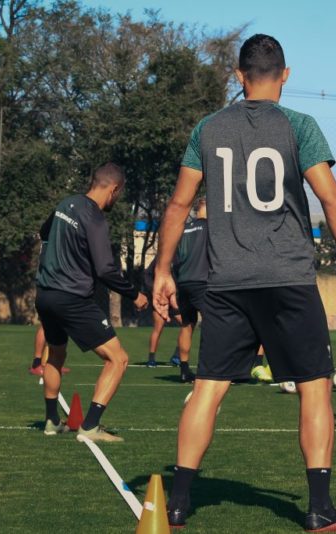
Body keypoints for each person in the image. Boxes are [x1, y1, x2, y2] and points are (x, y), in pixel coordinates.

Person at [153, 34, 336, 532]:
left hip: (227, 280)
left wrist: (162, 269)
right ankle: (319, 508)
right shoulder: (299, 125)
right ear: (285, 75)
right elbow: (332, 200)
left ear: (238, 75)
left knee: (207, 389)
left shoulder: (207, 128)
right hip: (288, 277)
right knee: (314, 389)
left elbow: (179, 204)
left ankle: (177, 504)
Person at [35, 162, 148, 442]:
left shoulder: (65, 204)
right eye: (118, 194)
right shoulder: (94, 216)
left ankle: (52, 421)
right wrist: (135, 294)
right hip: (72, 298)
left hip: (45, 294)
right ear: (114, 189)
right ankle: (90, 426)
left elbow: (44, 233)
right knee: (118, 359)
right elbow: (105, 270)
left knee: (56, 354)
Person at [172, 197, 210, 383]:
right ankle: (207, 370)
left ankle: (184, 370)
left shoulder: (184, 228)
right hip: (202, 282)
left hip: (183, 282)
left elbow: (176, 258)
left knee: (187, 325)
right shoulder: (210, 227)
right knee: (212, 325)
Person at [142, 260, 179, 368]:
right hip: (161, 300)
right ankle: (151, 360)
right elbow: (146, 274)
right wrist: (155, 289)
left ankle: (176, 356)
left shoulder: (183, 257)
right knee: (158, 327)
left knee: (187, 325)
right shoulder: (161, 257)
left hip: (175, 299)